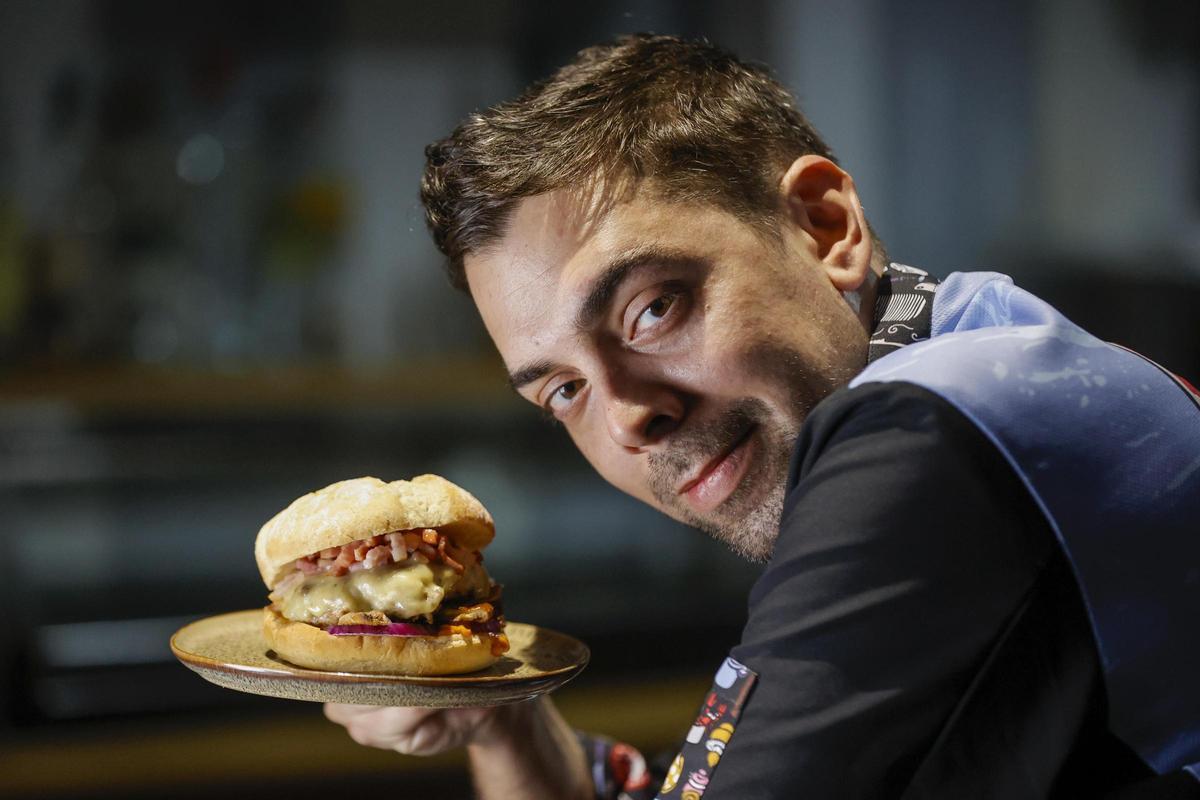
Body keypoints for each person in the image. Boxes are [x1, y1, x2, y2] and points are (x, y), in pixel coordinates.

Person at [323, 35, 1200, 798]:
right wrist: (502, 715)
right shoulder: (970, 353)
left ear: (825, 227)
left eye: (652, 309)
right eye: (562, 391)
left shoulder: (934, 427)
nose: (628, 416)